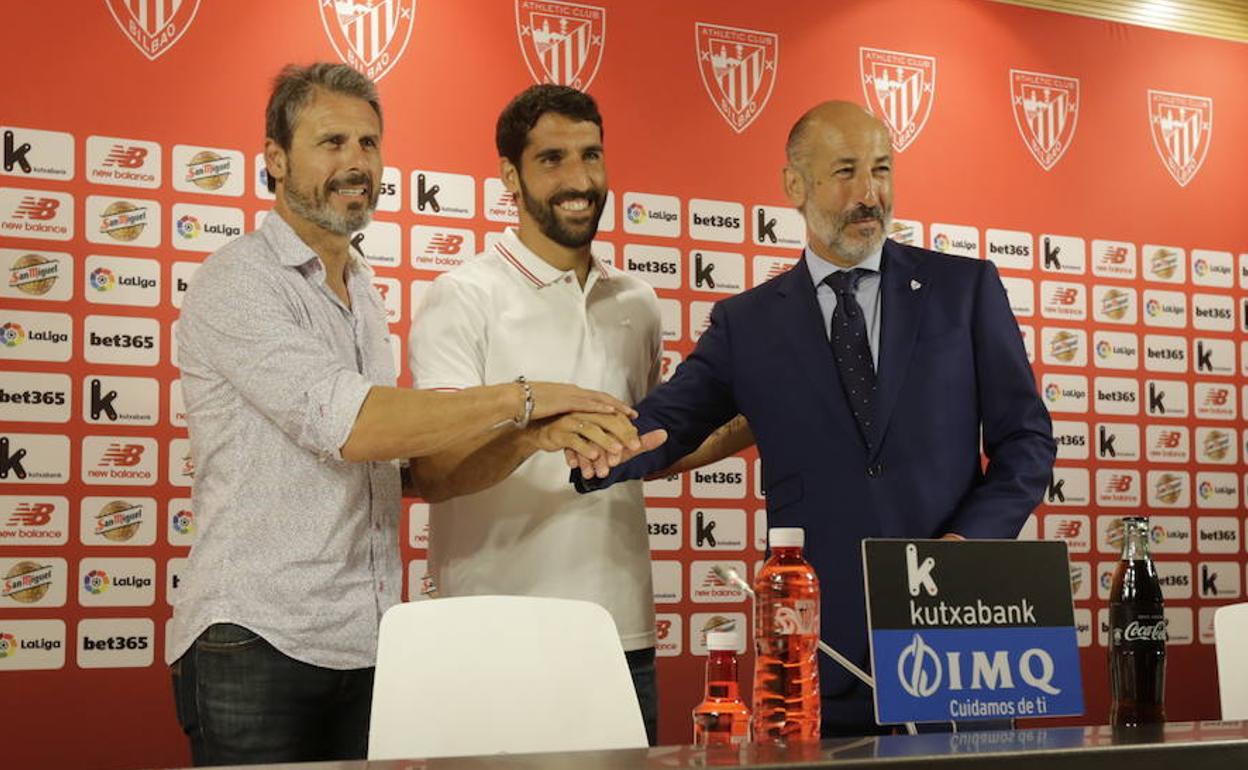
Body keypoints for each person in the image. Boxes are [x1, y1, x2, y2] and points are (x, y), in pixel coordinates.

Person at [169, 64, 639, 766]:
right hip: (258, 639)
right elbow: (355, 427)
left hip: (369, 639)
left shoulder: (361, 288)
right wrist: (525, 396)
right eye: (331, 142)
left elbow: (414, 472)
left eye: (368, 143)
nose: (356, 163)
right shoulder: (237, 279)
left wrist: (532, 438)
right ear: (275, 161)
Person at [571, 100, 1056, 736]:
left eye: (881, 170)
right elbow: (670, 419)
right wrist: (598, 448)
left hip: (959, 637)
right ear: (795, 186)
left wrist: (968, 548)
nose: (869, 193)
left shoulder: (965, 290)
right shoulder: (748, 324)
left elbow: (1026, 441)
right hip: (816, 651)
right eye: (846, 172)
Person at [407, 84, 680, 745]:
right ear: (510, 175)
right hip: (493, 638)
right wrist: (535, 436)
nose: (579, 179)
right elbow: (434, 475)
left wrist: (762, 412)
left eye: (592, 154)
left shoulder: (636, 302)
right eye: (552, 159)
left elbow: (643, 443)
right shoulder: (462, 297)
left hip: (623, 636)